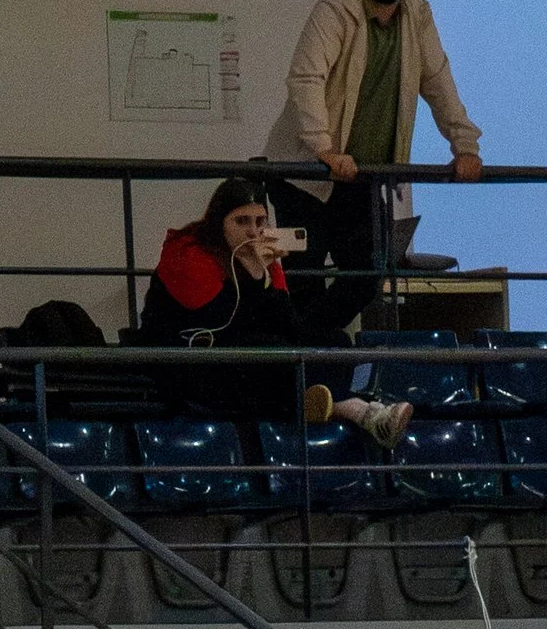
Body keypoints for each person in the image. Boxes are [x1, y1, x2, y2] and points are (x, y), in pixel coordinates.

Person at [134, 174, 410, 449]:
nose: (253, 232)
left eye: (260, 221)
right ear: (220, 223)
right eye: (241, 221)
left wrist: (267, 276)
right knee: (267, 355)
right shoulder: (188, 253)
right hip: (191, 358)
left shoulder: (260, 255)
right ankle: (359, 411)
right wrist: (255, 274)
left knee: (335, 343)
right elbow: (218, 323)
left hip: (244, 352)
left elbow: (289, 328)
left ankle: (325, 404)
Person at [266, 0, 481, 276]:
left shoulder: (417, 14)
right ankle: (317, 333)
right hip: (304, 173)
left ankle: (322, 333)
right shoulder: (334, 11)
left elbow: (439, 81)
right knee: (304, 280)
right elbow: (306, 79)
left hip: (360, 177)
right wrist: (324, 149)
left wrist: (465, 146)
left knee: (370, 275)